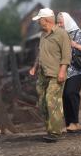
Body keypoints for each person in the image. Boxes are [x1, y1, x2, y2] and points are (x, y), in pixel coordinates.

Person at [29, 8, 72, 142]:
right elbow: (40, 53)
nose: (38, 23)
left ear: (46, 20)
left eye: (39, 20)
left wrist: (62, 71)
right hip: (43, 74)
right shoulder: (42, 35)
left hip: (55, 74)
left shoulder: (62, 34)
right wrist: (34, 67)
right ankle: (50, 129)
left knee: (52, 100)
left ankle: (55, 132)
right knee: (42, 102)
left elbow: (67, 56)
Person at [57, 12, 81, 132]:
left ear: (67, 22)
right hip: (65, 71)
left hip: (78, 70)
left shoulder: (79, 34)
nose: (59, 24)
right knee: (64, 96)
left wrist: (75, 45)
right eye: (58, 22)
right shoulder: (61, 34)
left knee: (71, 93)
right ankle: (69, 124)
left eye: (61, 22)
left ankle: (75, 122)